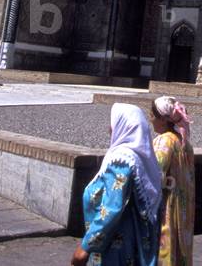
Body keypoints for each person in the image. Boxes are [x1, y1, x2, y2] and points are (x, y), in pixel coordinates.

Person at [72, 103, 162, 266]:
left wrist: (86, 247)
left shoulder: (122, 160)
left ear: (124, 126)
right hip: (132, 239)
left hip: (114, 244)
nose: (110, 128)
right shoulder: (141, 159)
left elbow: (112, 207)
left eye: (114, 122)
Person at [151, 96, 195, 266]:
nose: (151, 119)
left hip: (167, 207)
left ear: (163, 119)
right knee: (180, 249)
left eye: (152, 115)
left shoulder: (164, 141)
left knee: (166, 249)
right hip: (183, 207)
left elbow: (154, 175)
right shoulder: (185, 143)